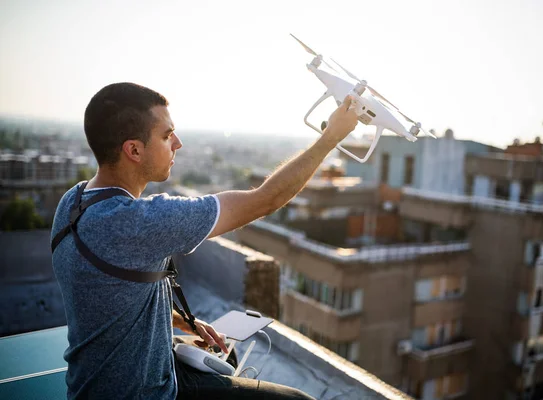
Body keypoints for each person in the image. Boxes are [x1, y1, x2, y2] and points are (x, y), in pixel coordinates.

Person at [51, 82, 358, 399]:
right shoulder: (138, 222)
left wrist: (182, 321)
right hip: (147, 393)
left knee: (228, 357)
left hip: (93, 387)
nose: (178, 144)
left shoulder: (73, 203)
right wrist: (331, 138)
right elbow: (266, 199)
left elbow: (105, 294)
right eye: (167, 135)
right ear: (134, 150)